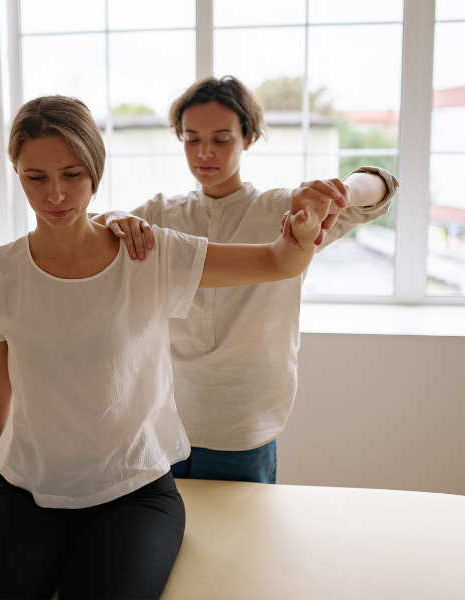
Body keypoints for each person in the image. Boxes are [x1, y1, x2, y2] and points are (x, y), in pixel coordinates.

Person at [0, 95, 330, 600]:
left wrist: (302, 232)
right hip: (27, 493)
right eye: (36, 177)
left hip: (136, 495)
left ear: (96, 169)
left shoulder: (146, 253)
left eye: (72, 174)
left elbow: (277, 262)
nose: (55, 194)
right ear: (17, 173)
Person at [93, 76, 399, 485]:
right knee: (171, 525)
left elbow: (382, 186)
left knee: (243, 528)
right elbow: (92, 234)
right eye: (191, 139)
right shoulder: (162, 213)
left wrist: (339, 191)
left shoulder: (287, 211)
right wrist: (112, 217)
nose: (204, 153)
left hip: (246, 422)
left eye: (221, 139)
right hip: (167, 418)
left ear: (248, 138)